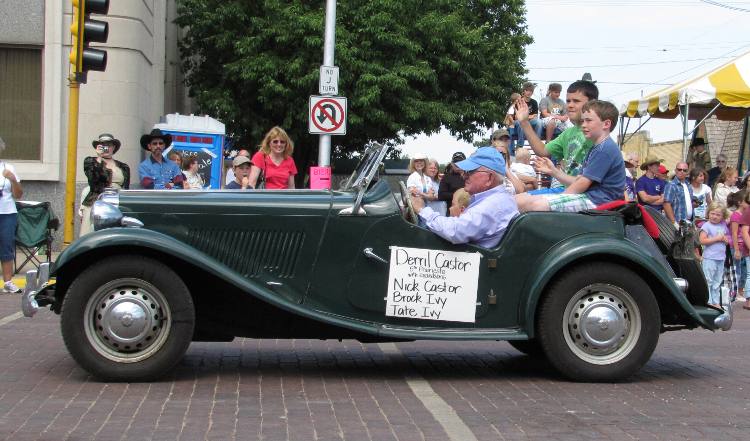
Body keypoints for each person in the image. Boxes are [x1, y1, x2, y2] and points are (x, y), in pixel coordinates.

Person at [515, 100, 625, 213]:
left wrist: (559, 198)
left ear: (606, 124)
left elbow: (582, 184)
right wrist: (554, 171)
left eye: (588, 120)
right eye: (583, 121)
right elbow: (579, 180)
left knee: (534, 204)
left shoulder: (605, 149)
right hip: (592, 198)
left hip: (599, 201)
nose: (583, 125)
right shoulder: (597, 147)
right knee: (518, 200)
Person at [410, 147, 519, 248]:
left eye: (470, 171)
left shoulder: (491, 206)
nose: (464, 175)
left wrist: (422, 209)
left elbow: (454, 231)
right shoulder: (502, 198)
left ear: (490, 178)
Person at [514, 80, 599, 195]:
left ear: (592, 104)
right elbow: (542, 151)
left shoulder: (597, 134)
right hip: (565, 189)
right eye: (568, 101)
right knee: (517, 198)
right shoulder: (568, 133)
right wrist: (524, 122)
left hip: (583, 193)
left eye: (576, 101)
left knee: (522, 201)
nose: (570, 105)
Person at [81, 134, 131, 236]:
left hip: (117, 200)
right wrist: (99, 158)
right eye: (103, 145)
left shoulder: (123, 166)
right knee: (90, 230)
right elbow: (94, 181)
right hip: (97, 198)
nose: (106, 147)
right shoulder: (91, 162)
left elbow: (126, 187)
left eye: (109, 145)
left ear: (114, 147)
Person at [0, 137, 23, 293]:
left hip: (7, 213)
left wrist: (13, 180)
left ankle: (8, 282)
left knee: (7, 247)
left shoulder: (8, 168)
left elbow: (18, 194)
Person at [700, 202, 730, 308]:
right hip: (709, 257)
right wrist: (717, 238)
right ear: (708, 213)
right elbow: (702, 240)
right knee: (708, 280)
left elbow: (727, 239)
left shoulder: (723, 226)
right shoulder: (706, 226)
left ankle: (716, 301)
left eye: (718, 215)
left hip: (720, 257)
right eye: (713, 213)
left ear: (722, 216)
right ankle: (708, 300)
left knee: (718, 280)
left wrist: (726, 240)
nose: (715, 216)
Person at [513, 82, 542, 153]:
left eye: (531, 91)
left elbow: (535, 115)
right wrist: (525, 118)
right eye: (527, 90)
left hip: (529, 121)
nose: (529, 92)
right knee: (521, 123)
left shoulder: (534, 102)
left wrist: (525, 117)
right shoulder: (519, 101)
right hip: (519, 121)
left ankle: (537, 143)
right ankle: (520, 145)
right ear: (524, 91)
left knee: (539, 122)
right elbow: (516, 117)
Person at [663, 161, 694, 227]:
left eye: (684, 170)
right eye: (679, 169)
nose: (682, 172)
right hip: (677, 222)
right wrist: (674, 222)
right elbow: (666, 204)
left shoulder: (688, 185)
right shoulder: (671, 185)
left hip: (689, 222)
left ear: (687, 172)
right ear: (675, 170)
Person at [437, 152, 466, 216]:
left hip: (469, 212)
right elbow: (441, 195)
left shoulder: (470, 176)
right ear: (452, 163)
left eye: (460, 162)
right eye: (455, 162)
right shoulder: (446, 177)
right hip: (452, 214)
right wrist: (458, 195)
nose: (457, 164)